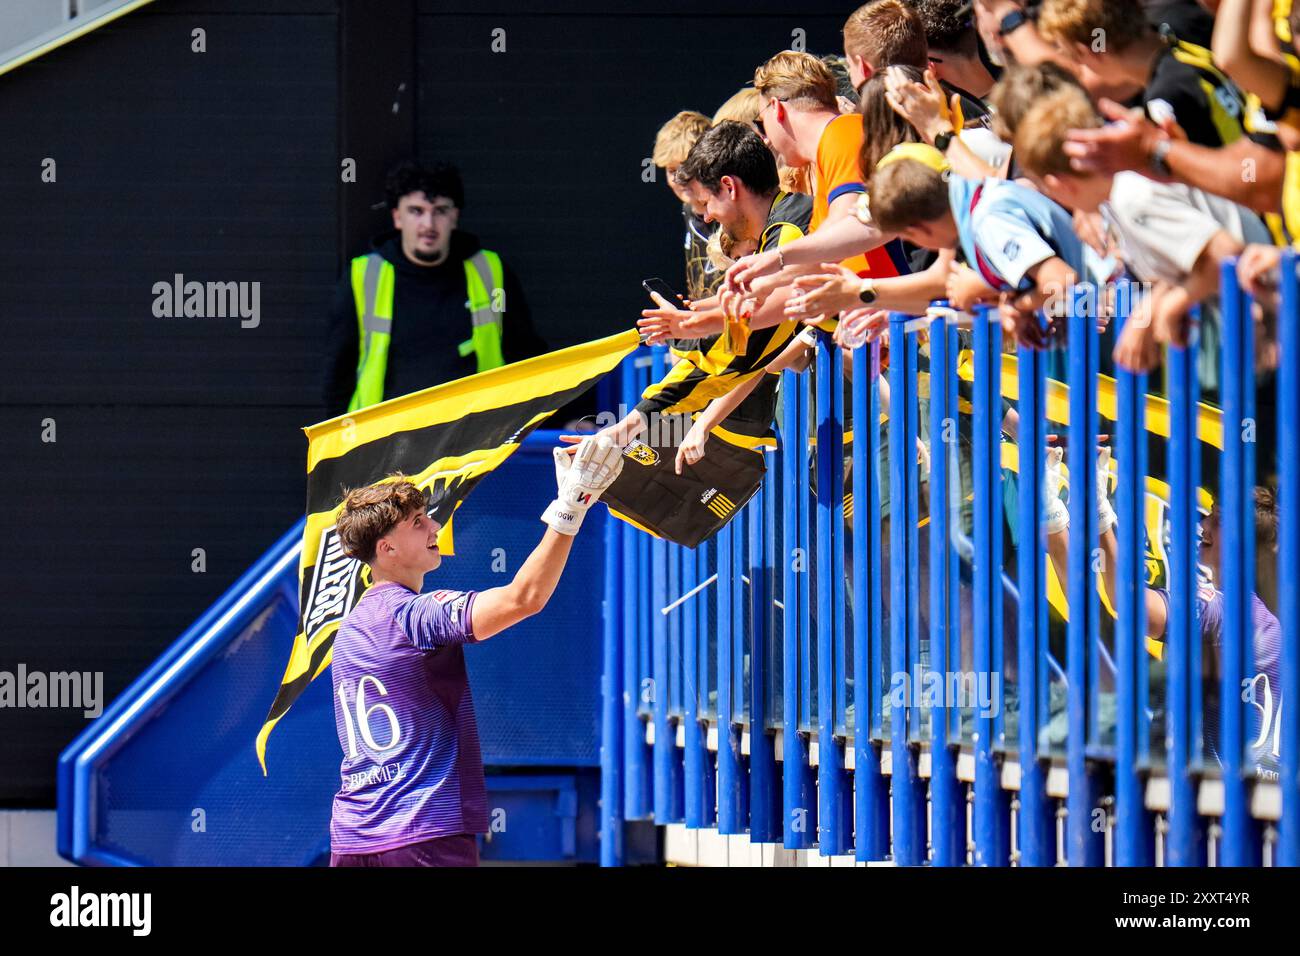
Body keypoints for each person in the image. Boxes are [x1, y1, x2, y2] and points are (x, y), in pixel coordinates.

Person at [327, 437, 624, 867]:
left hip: (353, 837)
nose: (434, 528)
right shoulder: (413, 616)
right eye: (417, 523)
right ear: (386, 549)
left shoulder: (351, 626)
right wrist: (571, 505)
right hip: (422, 832)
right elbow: (524, 598)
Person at [1012, 81, 1272, 370]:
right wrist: (1149, 312)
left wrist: (1169, 306)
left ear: (1057, 184)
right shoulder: (1119, 196)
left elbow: (1225, 252)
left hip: (1276, 309)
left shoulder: (1132, 197)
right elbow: (1187, 262)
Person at [324, 160, 545, 417]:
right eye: (416, 211)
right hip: (384, 442)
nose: (428, 224)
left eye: (440, 211)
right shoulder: (364, 276)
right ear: (397, 216)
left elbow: (529, 358)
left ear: (455, 216)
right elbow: (337, 373)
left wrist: (566, 419)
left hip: (475, 441)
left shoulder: (490, 271)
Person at [652, 110, 719, 300]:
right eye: (672, 170)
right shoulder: (688, 210)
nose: (680, 179)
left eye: (688, 166)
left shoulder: (733, 211)